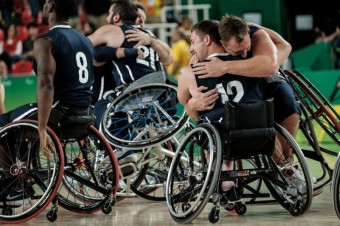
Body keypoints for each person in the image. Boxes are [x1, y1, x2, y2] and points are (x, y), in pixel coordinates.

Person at [0, 0, 94, 204]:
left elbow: (45, 85)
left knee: (3, 125)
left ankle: (14, 187)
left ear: (50, 6)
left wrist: (42, 129)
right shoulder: (85, 40)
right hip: (84, 114)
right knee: (18, 126)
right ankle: (24, 177)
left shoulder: (47, 40)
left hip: (60, 114)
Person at [188, 15, 299, 164]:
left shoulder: (256, 34)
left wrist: (224, 66)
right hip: (243, 90)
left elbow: (280, 54)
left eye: (247, 48)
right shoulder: (208, 51)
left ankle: (286, 164)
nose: (245, 54)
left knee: (288, 105)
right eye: (238, 52)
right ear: (223, 45)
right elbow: (188, 91)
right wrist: (192, 103)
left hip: (266, 78)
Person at [178, 19, 264, 203]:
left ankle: (225, 185)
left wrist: (192, 98)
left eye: (193, 42)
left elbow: (182, 100)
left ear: (207, 40)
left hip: (223, 136)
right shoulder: (250, 61)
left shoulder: (190, 72)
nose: (192, 49)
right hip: (260, 132)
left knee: (209, 128)